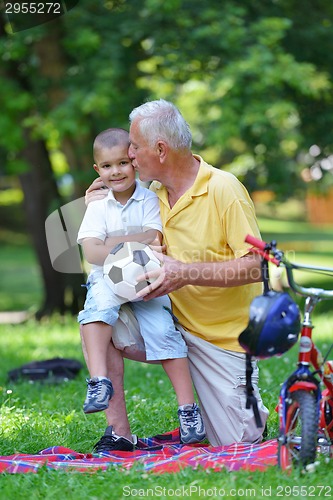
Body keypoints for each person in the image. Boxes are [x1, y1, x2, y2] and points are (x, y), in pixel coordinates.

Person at [85, 101, 269, 452]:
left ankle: (246, 408)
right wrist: (97, 205)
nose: (130, 154)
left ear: (160, 150)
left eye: (135, 147)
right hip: (166, 320)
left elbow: (258, 265)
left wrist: (185, 274)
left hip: (222, 340)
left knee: (239, 442)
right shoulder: (148, 193)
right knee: (97, 316)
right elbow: (106, 241)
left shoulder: (224, 189)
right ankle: (118, 432)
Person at [77, 127, 206, 446]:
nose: (116, 171)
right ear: (97, 170)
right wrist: (135, 242)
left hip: (146, 278)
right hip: (107, 277)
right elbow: (92, 253)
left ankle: (188, 410)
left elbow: (156, 240)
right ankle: (98, 381)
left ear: (134, 162)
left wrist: (111, 241)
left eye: (122, 162)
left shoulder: (149, 199)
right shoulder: (98, 206)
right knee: (96, 310)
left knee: (164, 331)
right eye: (107, 166)